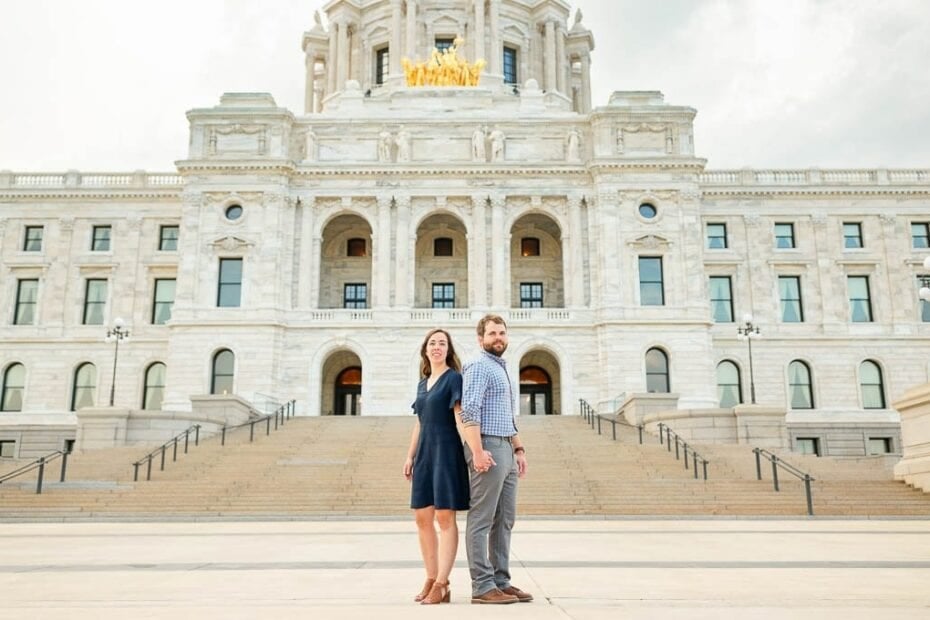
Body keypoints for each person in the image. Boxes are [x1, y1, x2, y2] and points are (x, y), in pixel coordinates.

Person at [460, 314, 532, 604]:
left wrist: (519, 448)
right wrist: (477, 450)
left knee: (505, 520)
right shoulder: (478, 366)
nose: (498, 338)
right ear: (481, 339)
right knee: (481, 518)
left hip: (505, 447)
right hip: (487, 445)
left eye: (501, 333)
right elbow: (469, 410)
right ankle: (482, 586)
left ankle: (501, 581)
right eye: (492, 333)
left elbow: (506, 414)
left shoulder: (500, 367)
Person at [403, 328, 470, 605]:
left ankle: (443, 583)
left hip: (446, 450)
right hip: (425, 455)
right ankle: (430, 577)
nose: (437, 347)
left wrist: (475, 451)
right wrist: (410, 456)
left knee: (445, 518)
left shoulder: (454, 378)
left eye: (442, 343)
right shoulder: (422, 383)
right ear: (425, 350)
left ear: (449, 350)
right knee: (422, 517)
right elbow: (419, 421)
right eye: (433, 343)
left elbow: (460, 415)